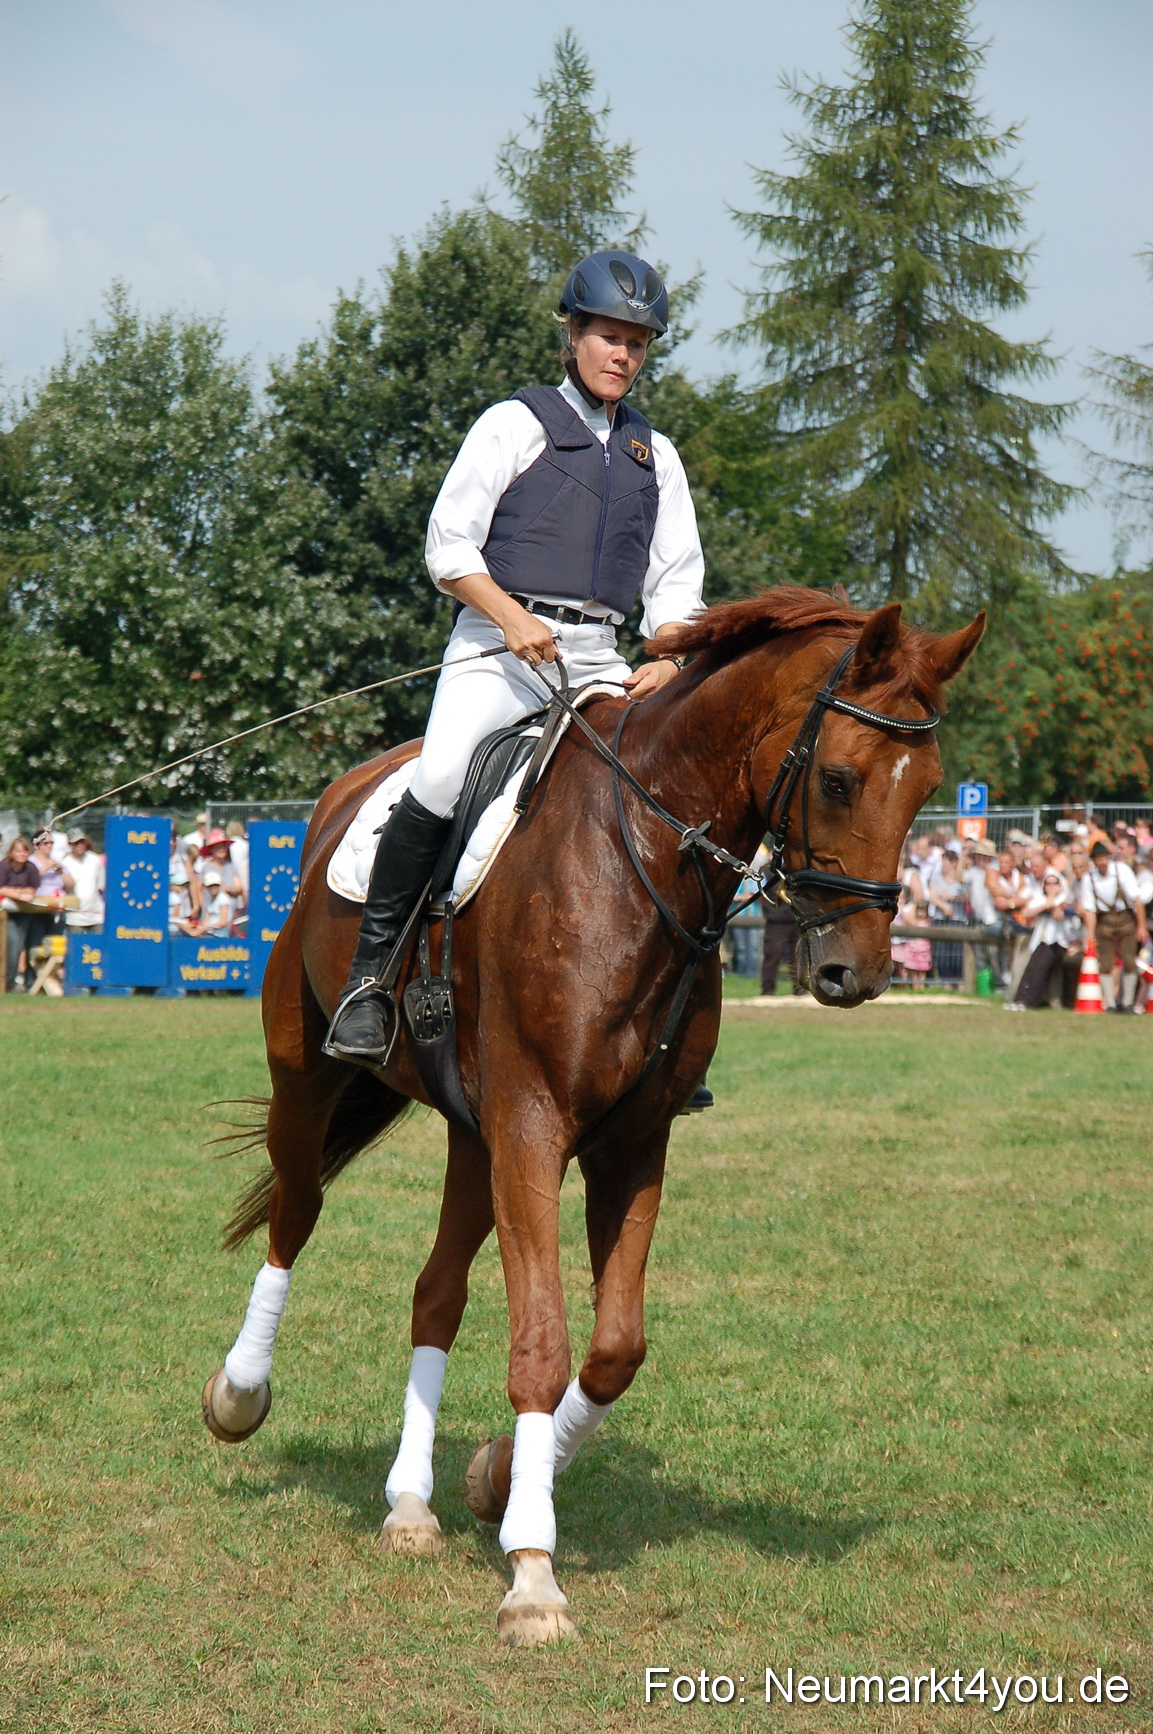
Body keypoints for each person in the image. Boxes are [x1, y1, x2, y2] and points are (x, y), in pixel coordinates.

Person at [325, 250, 706, 1065]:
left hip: (599, 655)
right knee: (438, 777)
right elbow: (447, 547)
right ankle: (369, 980)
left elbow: (677, 588)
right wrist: (507, 616)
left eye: (638, 343)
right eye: (608, 337)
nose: (623, 355)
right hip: (497, 647)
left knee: (673, 791)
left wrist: (670, 659)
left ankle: (665, 1021)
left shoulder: (656, 456)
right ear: (572, 336)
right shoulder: (515, 423)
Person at [1077, 840, 1148, 1012]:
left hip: (1125, 918)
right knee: (1106, 962)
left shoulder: (1121, 870)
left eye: (1103, 858)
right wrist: (1090, 933)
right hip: (1104, 921)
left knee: (1130, 960)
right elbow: (1090, 909)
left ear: (1108, 858)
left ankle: (1128, 1003)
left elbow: (1136, 900)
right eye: (1097, 859)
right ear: (1093, 861)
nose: (1101, 862)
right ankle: (1110, 1003)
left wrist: (1141, 926)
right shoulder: (1089, 878)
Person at [1009, 872, 1081, 1010]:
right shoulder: (1040, 898)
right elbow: (1026, 913)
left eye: (1055, 883)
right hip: (1041, 940)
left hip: (1061, 942)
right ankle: (1019, 999)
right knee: (1032, 967)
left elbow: (1060, 915)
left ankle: (1027, 1001)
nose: (1052, 886)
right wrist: (1048, 903)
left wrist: (1053, 902)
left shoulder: (1065, 898)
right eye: (1048, 883)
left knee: (1039, 965)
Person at [0, 836, 41, 991]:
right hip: (5, 913)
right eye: (18, 851)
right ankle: (8, 982)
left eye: (25, 851)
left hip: (24, 911)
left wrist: (14, 891)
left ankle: (20, 981)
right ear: (11, 852)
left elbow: (32, 890)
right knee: (13, 943)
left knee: (22, 945)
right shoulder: (4, 866)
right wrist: (18, 894)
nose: (22, 854)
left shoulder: (31, 868)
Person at [62, 829, 105, 930]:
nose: (80, 845)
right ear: (69, 844)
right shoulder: (64, 863)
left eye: (82, 842)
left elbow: (101, 886)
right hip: (74, 917)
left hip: (96, 916)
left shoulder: (95, 860)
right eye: (76, 843)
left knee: (97, 945)